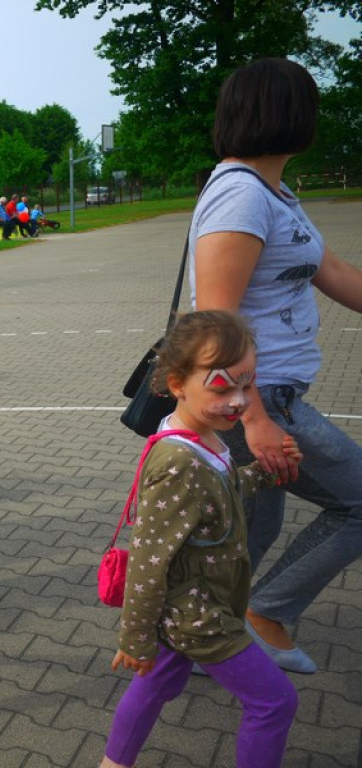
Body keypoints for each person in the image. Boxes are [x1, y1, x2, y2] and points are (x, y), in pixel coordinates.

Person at [190, 58, 362, 675]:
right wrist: (255, 418)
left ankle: (201, 642)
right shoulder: (240, 195)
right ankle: (267, 613)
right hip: (259, 400)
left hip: (271, 397)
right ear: (290, 112)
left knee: (244, 537)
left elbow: (333, 272)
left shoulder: (275, 192)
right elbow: (215, 319)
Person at [101, 310, 300, 768]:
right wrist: (134, 638)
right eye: (222, 386)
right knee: (275, 703)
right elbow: (149, 562)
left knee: (154, 685)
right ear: (176, 383)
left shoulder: (203, 439)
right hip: (198, 615)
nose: (238, 401)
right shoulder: (178, 463)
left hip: (196, 602)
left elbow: (220, 492)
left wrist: (264, 474)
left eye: (247, 385)